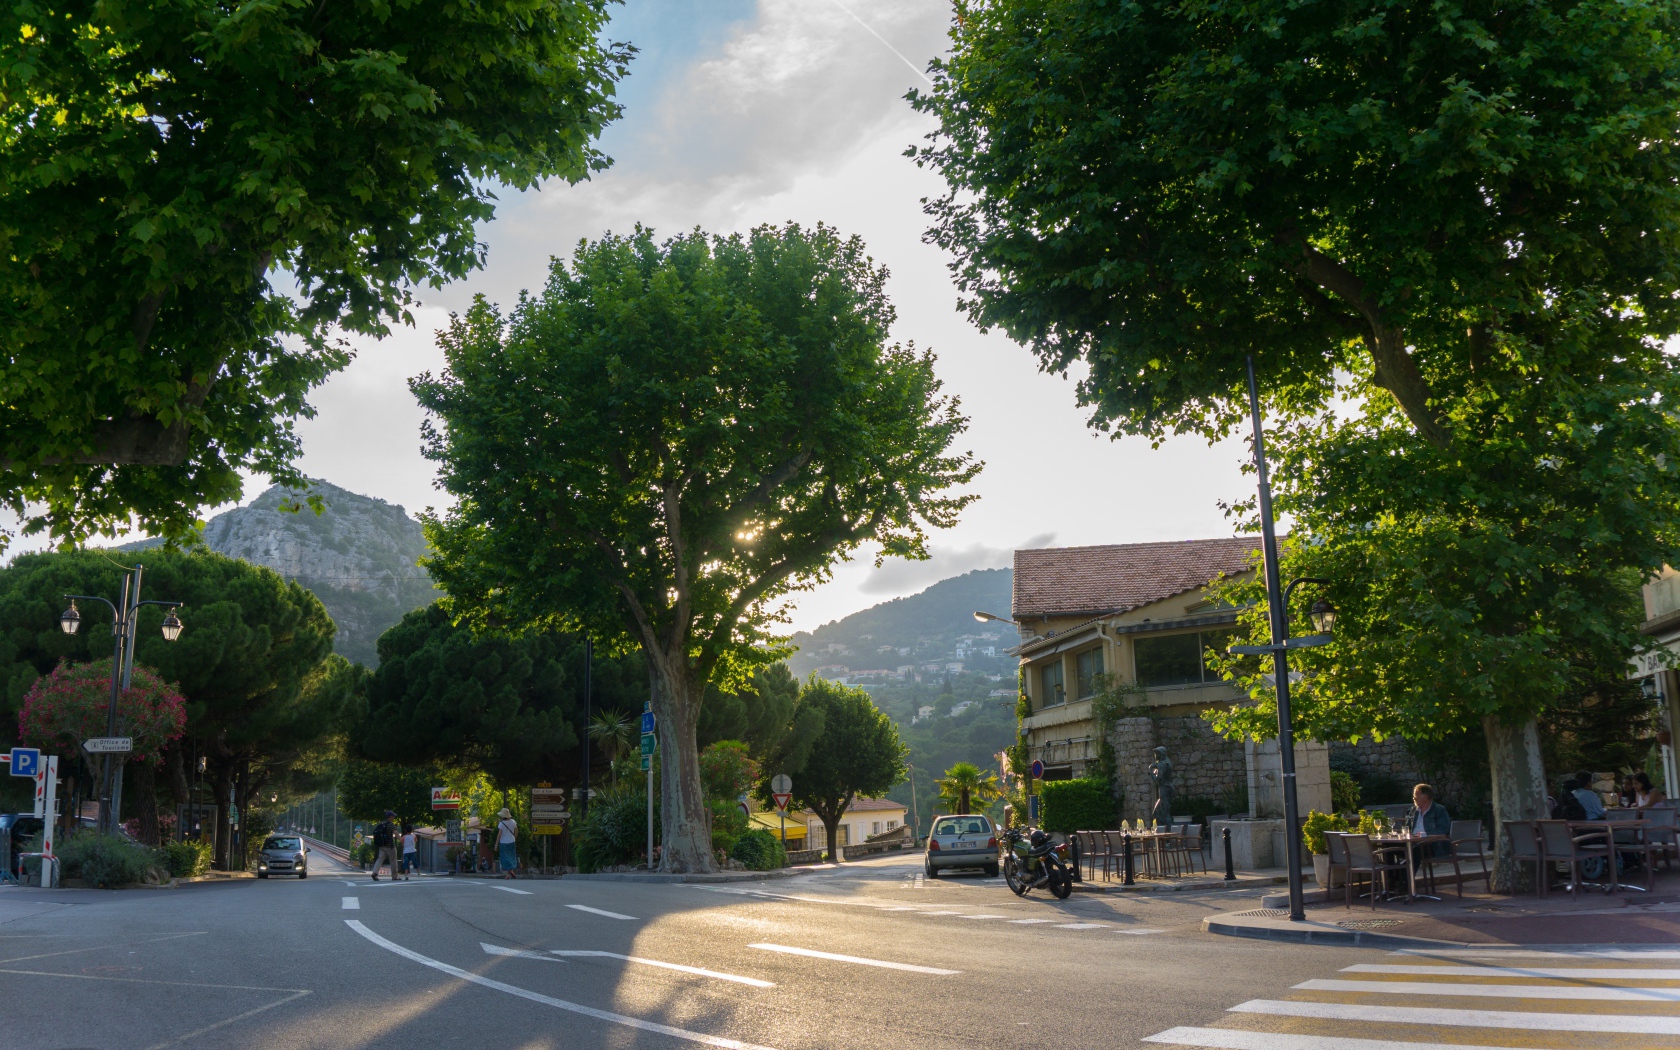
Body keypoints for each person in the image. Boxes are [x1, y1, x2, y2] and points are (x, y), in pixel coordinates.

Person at [1400, 783, 1452, 859]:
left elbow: (1443, 832)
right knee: (1389, 848)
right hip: (1413, 842)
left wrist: (1423, 836)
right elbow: (1408, 829)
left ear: (1425, 797)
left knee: (1417, 850)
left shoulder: (1439, 810)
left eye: (1416, 795)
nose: (1413, 798)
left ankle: (1404, 871)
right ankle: (1393, 871)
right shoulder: (1413, 810)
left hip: (1433, 845)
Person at [371, 811, 399, 881]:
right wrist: (401, 840)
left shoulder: (382, 824)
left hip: (382, 845)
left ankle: (374, 873)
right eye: (393, 816)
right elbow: (396, 833)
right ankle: (394, 876)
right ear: (390, 817)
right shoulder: (391, 824)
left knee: (380, 859)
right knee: (393, 861)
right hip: (390, 846)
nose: (394, 817)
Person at [496, 808, 519, 879]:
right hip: (512, 842)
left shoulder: (501, 823)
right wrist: (514, 838)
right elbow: (517, 831)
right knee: (512, 856)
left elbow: (499, 835)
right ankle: (511, 871)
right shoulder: (513, 821)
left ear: (503, 816)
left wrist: (496, 844)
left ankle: (507, 874)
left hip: (503, 842)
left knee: (504, 858)